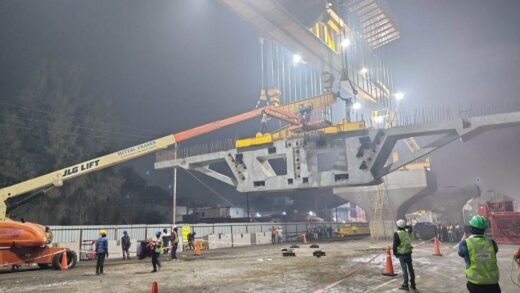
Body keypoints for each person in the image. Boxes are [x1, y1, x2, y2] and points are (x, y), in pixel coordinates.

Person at [458, 215, 500, 293]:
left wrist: (463, 240)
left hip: (475, 283)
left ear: (471, 228)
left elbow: (460, 253)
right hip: (493, 282)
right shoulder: (492, 243)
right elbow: (495, 252)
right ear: (484, 229)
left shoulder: (465, 243)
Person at [393, 219, 416, 291]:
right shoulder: (407, 232)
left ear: (398, 226)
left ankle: (406, 285)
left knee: (404, 270)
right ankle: (413, 284)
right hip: (408, 253)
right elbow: (410, 227)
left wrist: (395, 253)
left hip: (402, 254)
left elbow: (394, 245)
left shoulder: (396, 233)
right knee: (411, 269)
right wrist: (404, 225)